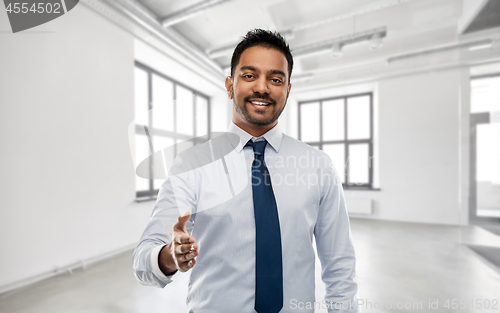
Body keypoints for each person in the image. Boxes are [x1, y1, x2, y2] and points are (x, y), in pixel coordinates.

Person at [133, 29, 359, 313]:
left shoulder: (318, 165)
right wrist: (169, 257)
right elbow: (143, 259)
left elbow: (339, 264)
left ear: (287, 90)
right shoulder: (192, 164)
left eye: (276, 79)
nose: (262, 88)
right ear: (230, 85)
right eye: (249, 76)